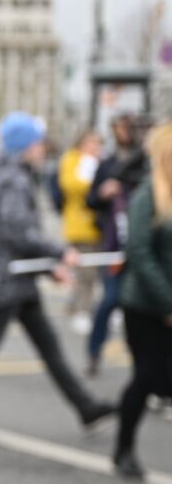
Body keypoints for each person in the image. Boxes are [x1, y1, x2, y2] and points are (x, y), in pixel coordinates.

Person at [0, 111, 116, 437]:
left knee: (49, 347)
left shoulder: (9, 174)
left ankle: (86, 407)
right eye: (36, 142)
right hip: (7, 282)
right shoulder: (13, 179)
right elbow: (17, 232)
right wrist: (60, 253)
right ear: (25, 145)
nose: (42, 147)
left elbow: (15, 237)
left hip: (16, 280)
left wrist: (50, 269)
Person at [112, 123, 172, 479]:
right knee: (146, 378)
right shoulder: (147, 196)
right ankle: (123, 449)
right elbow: (140, 253)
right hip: (145, 308)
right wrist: (168, 305)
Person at [86, 114, 150, 376]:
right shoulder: (109, 164)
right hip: (115, 245)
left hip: (141, 248)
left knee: (141, 313)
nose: (127, 133)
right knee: (109, 301)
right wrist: (103, 191)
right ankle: (94, 352)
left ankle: (145, 371)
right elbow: (91, 199)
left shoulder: (146, 164)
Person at [56, 129, 104, 334]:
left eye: (97, 143)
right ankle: (82, 310)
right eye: (91, 142)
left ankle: (75, 305)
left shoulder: (97, 161)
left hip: (96, 225)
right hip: (80, 225)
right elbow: (70, 185)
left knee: (88, 270)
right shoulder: (72, 160)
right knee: (86, 271)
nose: (95, 147)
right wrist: (93, 184)